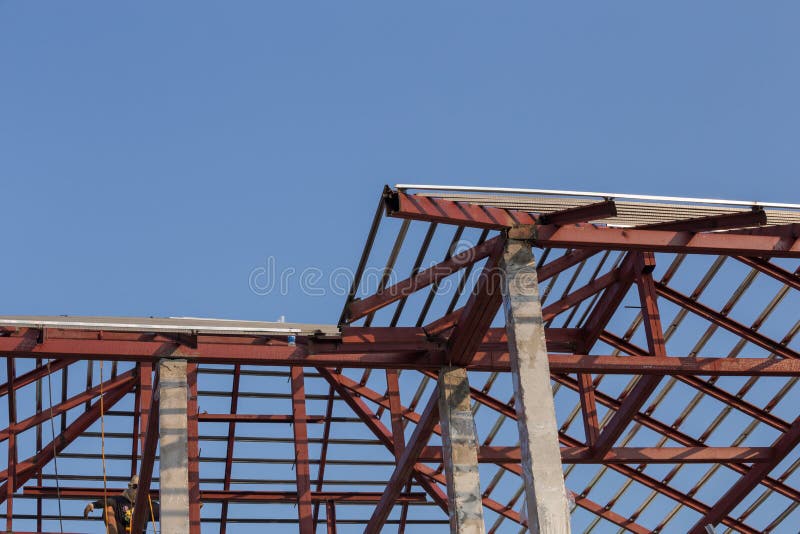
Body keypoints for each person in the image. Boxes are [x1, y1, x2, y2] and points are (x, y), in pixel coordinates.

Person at [83, 475, 159, 533]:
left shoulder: (147, 505)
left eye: (141, 488)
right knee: (108, 508)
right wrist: (93, 505)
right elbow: (107, 502)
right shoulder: (119, 501)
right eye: (135, 486)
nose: (138, 490)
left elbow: (162, 511)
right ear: (129, 486)